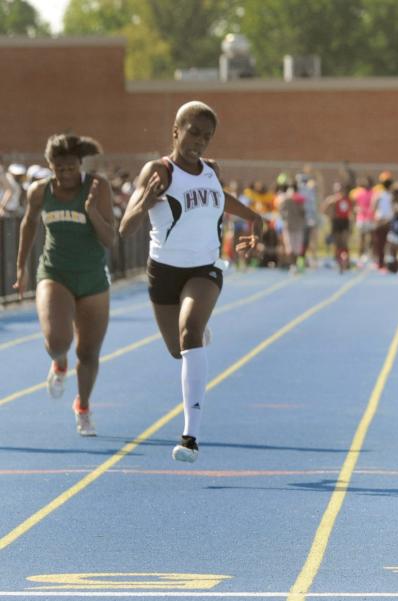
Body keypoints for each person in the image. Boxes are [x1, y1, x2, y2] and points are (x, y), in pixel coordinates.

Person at [119, 101, 262, 462]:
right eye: (193, 132)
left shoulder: (212, 170)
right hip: (164, 271)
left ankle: (190, 437)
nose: (199, 141)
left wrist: (254, 221)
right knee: (177, 348)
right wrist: (145, 201)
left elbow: (221, 199)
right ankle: (195, 333)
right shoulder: (158, 171)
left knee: (189, 331)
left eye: (207, 136)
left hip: (206, 267)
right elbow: (126, 228)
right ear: (176, 130)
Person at [13, 134, 115, 436]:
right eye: (59, 168)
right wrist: (21, 266)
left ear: (79, 164)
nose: (66, 173)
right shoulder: (40, 191)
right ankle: (59, 363)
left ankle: (82, 407)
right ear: (50, 166)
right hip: (55, 273)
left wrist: (92, 210)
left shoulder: (98, 187)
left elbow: (110, 239)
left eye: (71, 167)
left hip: (93, 278)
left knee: (88, 353)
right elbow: (28, 223)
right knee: (59, 342)